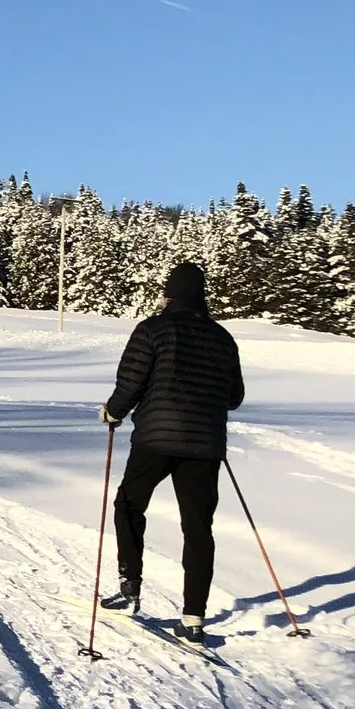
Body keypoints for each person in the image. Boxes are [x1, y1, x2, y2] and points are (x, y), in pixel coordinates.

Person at [99, 260, 246, 638]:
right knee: (198, 527)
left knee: (129, 505)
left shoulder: (153, 329)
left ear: (169, 294)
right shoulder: (223, 338)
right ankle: (193, 617)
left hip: (156, 437)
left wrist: (113, 412)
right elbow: (234, 397)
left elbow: (131, 381)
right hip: (205, 445)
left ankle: (129, 587)